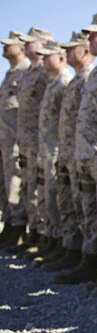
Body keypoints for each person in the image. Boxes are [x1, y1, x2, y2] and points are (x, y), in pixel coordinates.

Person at [55, 13, 97, 286]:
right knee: (89, 210)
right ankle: (91, 260)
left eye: (96, 34)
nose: (90, 39)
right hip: (85, 152)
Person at [44, 32, 94, 273]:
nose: (67, 52)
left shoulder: (85, 78)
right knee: (74, 203)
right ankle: (74, 249)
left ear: (84, 51)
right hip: (70, 151)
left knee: (94, 208)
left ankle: (94, 259)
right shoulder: (75, 80)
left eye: (72, 48)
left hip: (89, 151)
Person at [12, 27, 54, 255]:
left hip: (43, 142)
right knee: (29, 187)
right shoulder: (29, 73)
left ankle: (44, 234)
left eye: (31, 43)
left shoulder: (45, 74)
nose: (26, 46)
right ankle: (33, 232)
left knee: (42, 190)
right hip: (26, 140)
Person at [30, 41, 73, 265]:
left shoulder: (65, 82)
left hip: (59, 149)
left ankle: (66, 245)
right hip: (48, 149)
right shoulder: (53, 83)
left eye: (48, 56)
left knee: (61, 198)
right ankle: (55, 240)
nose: (44, 60)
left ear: (61, 58)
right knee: (51, 199)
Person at [0, 31, 31, 249]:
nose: (4, 47)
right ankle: (10, 225)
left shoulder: (25, 74)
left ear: (21, 48)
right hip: (5, 140)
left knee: (15, 184)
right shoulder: (10, 74)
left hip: (17, 141)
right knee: (5, 185)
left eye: (9, 44)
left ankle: (18, 229)